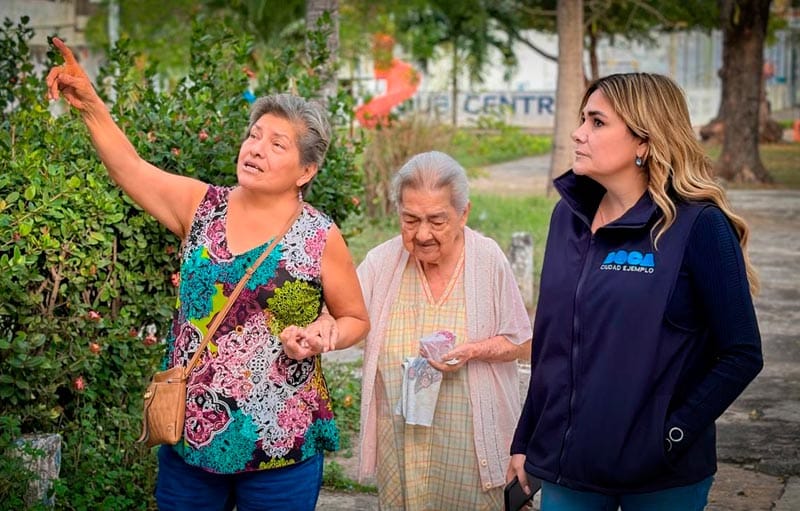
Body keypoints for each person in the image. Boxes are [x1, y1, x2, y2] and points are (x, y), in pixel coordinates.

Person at [46, 38, 369, 511]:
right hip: (190, 437)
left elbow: (354, 318)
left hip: (280, 445)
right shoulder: (202, 207)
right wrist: (91, 105)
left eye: (277, 144)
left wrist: (326, 335)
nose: (256, 149)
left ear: (306, 170)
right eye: (254, 135)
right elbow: (130, 168)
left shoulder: (320, 236)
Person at [508, 72, 763, 510]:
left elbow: (741, 353)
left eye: (597, 122)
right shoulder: (566, 220)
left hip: (661, 477)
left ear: (643, 142)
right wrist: (527, 438)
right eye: (582, 119)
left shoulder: (698, 226)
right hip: (572, 469)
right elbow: (553, 343)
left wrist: (670, 435)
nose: (578, 133)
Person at [356, 150, 533, 510]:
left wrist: (473, 351)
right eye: (410, 219)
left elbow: (523, 342)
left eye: (437, 220)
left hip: (469, 452)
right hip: (402, 449)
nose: (422, 234)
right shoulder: (381, 262)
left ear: (463, 213)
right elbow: (347, 316)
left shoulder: (487, 259)